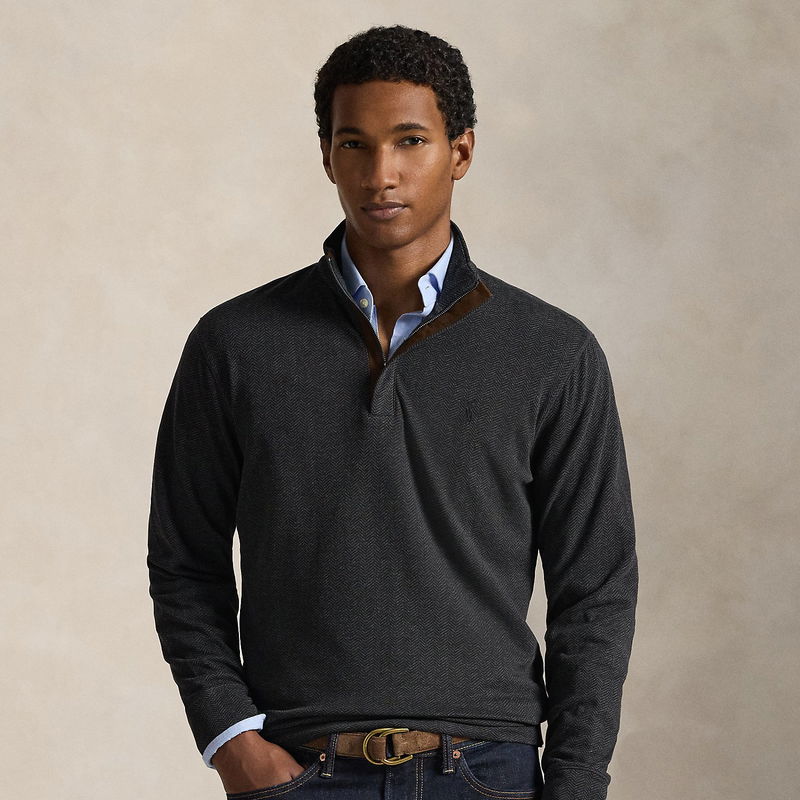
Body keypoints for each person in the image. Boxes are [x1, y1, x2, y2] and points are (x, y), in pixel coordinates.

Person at [147, 24, 638, 800]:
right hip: (299, 768)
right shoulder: (235, 344)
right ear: (327, 156)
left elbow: (596, 593)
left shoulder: (553, 352)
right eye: (356, 144)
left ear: (461, 151)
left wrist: (575, 785)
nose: (382, 174)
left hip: (488, 771)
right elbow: (183, 560)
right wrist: (231, 739)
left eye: (410, 140)